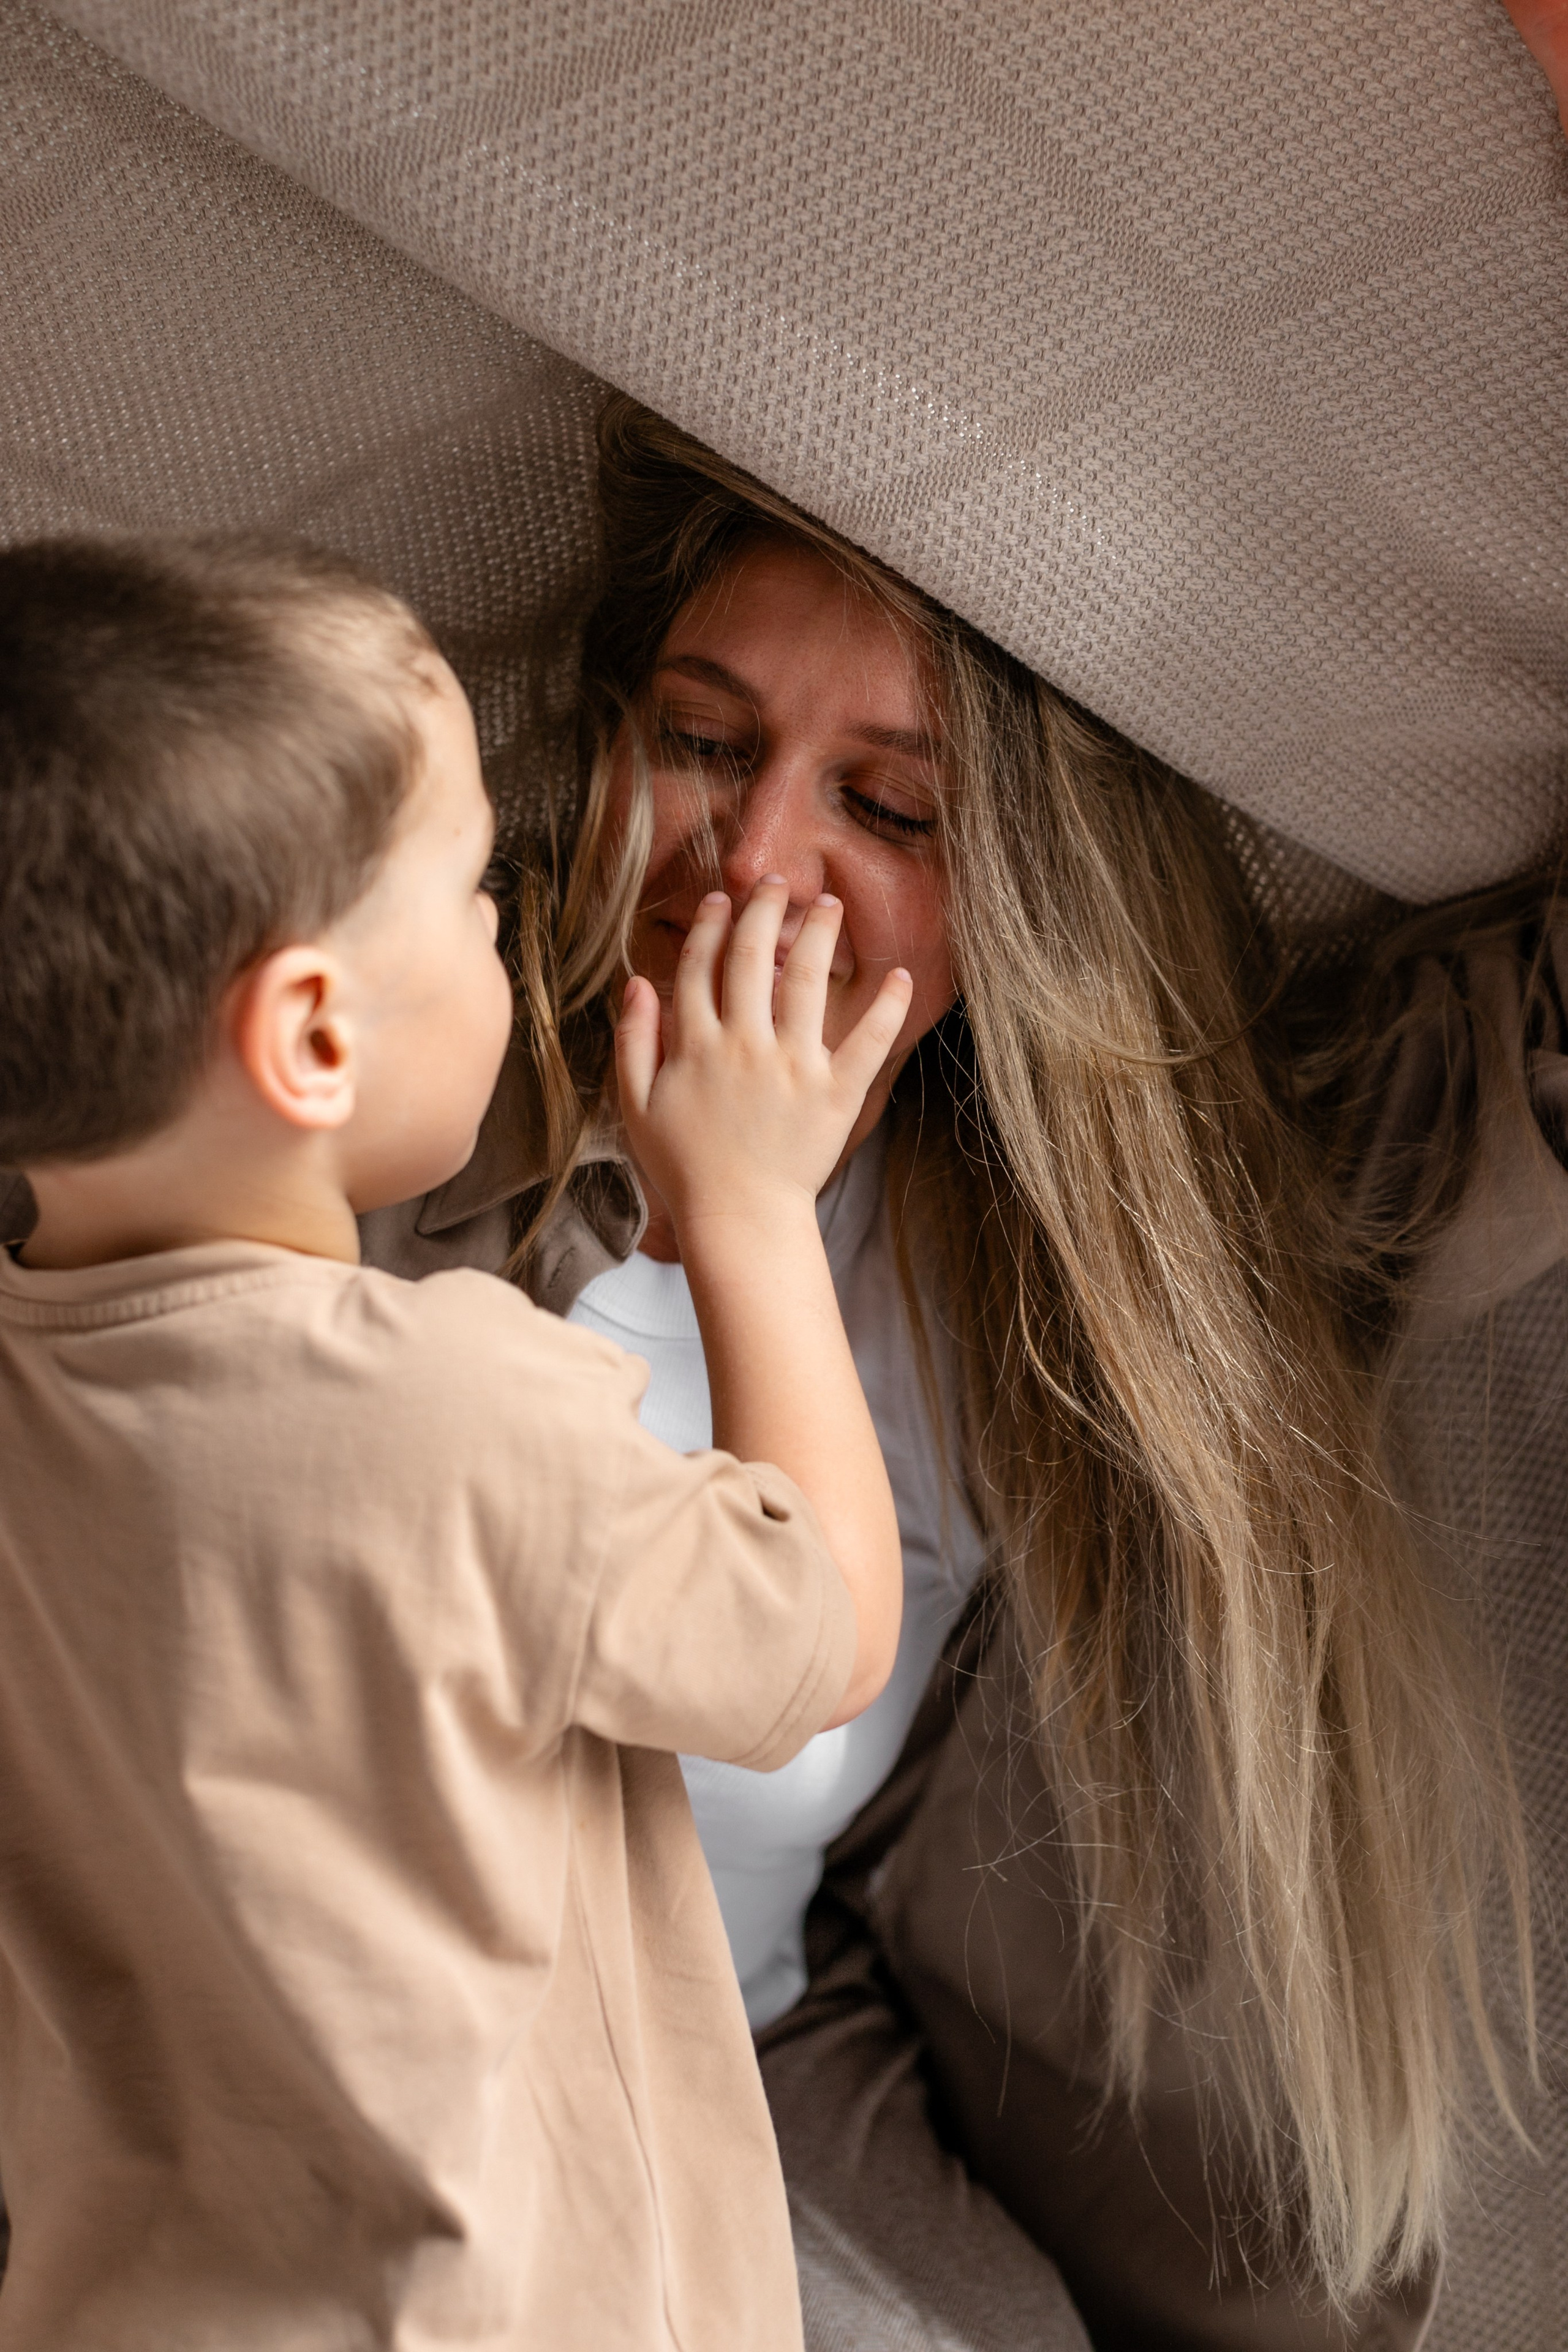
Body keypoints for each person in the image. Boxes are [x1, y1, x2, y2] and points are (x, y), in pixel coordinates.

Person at [366, 399, 1540, 2350]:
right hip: (410, 2069)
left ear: (1015, 908)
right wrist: (712, 1198)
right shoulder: (408, 1125)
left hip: (767, 2041)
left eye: (888, 809)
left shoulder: (1089, 1256)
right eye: (708, 744)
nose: (752, 860)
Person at [0, 531, 915, 2351]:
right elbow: (818, 1634)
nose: (517, 934)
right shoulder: (460, 1413)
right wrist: (744, 1208)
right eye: (481, 899)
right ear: (315, 1034)